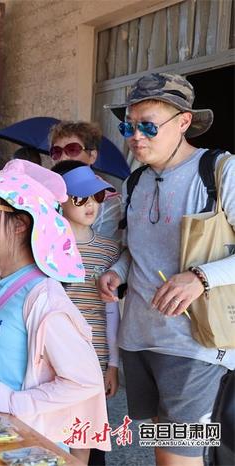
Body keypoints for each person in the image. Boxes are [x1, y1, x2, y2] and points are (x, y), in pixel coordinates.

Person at [98, 72, 235, 465]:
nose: (135, 136)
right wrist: (119, 273)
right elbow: (134, 250)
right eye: (129, 125)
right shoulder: (136, 181)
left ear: (184, 122)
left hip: (195, 346)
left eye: (148, 126)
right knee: (166, 451)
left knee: (178, 459)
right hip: (139, 340)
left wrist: (201, 277)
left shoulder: (220, 171)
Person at [0, 160, 110, 461]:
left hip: (26, 445)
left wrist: (14, 401)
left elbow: (84, 380)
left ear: (20, 224)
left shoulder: (42, 297)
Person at [52, 161, 121, 464]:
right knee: (56, 430)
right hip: (55, 354)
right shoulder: (46, 248)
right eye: (80, 198)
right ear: (61, 200)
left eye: (97, 197)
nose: (90, 204)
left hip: (95, 356)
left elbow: (113, 311)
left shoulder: (109, 251)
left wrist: (114, 365)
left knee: (88, 434)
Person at [49, 121, 122, 242]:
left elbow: (101, 251)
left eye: (72, 150)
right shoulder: (41, 192)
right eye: (56, 151)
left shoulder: (108, 200)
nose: (63, 157)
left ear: (92, 156)